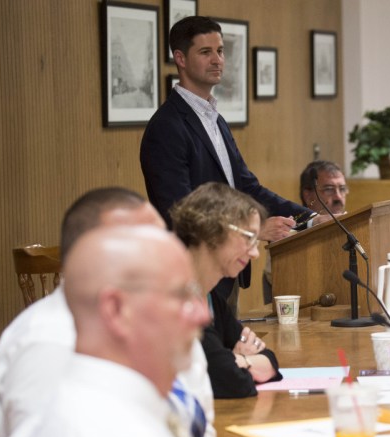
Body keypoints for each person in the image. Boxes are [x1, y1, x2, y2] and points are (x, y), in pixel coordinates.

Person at [0, 188, 232, 437]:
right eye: (178, 294)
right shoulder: (46, 346)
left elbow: (195, 419)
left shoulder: (144, 340)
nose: (202, 315)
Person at [140, 15, 312, 307]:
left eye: (220, 51)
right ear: (180, 58)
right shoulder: (166, 127)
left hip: (227, 271)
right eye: (205, 52)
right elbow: (180, 212)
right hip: (193, 275)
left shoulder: (214, 119)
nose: (217, 60)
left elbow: (245, 187)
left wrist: (309, 218)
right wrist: (254, 231)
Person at [170, 183, 282, 398]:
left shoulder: (211, 298)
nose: (255, 253)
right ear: (211, 229)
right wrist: (237, 362)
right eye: (248, 237)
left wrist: (239, 360)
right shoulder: (178, 299)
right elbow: (234, 383)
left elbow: (270, 360)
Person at [262, 160, 348, 303]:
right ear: (308, 195)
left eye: (342, 189)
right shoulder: (286, 232)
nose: (338, 197)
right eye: (328, 189)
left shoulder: (353, 227)